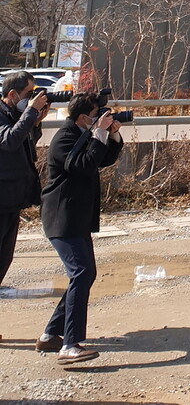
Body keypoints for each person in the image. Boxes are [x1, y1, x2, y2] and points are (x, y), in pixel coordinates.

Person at [38, 92, 123, 365]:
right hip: (62, 218)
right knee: (82, 272)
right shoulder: (64, 138)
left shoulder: (81, 134)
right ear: (84, 117)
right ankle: (70, 345)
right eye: (97, 114)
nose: (100, 118)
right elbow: (84, 165)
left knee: (85, 273)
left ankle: (51, 334)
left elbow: (101, 159)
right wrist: (98, 134)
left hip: (76, 218)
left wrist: (112, 136)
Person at [0, 71, 49, 341]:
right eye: (28, 94)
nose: (31, 99)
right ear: (11, 95)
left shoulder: (16, 116)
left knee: (3, 262)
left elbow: (25, 144)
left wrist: (36, 121)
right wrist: (29, 114)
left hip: (11, 200)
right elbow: (8, 142)